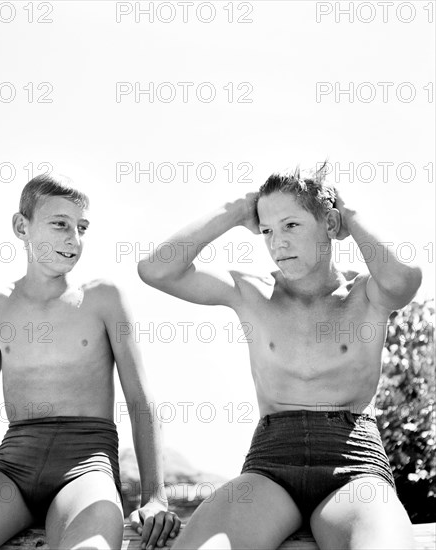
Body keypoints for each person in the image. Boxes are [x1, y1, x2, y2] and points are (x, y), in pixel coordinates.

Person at [138, 164, 421, 549]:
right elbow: (156, 269)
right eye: (268, 230)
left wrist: (350, 214)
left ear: (330, 224)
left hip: (353, 465)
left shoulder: (366, 293)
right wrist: (235, 211)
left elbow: (405, 279)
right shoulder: (249, 291)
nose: (278, 243)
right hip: (271, 466)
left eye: (291, 225)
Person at [0, 173, 181, 550]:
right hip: (12, 471)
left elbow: (140, 398)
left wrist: (155, 496)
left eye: (82, 227)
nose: (74, 239)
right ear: (21, 226)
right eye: (60, 224)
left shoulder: (103, 298)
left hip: (86, 470)